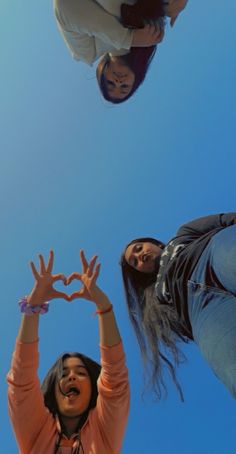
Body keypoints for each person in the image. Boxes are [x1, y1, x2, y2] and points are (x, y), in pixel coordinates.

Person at [8, 250, 130, 453]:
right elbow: (21, 382)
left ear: (94, 388)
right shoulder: (36, 432)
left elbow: (116, 381)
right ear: (53, 391)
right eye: (63, 374)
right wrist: (33, 306)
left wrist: (104, 307)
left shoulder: (104, 433)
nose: (71, 377)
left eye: (81, 373)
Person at [121, 213, 236, 401]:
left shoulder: (183, 233)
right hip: (199, 309)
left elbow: (225, 220)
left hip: (210, 253)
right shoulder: (157, 302)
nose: (139, 256)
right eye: (135, 262)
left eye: (139, 248)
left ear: (155, 244)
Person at [53, 0, 188, 103]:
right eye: (124, 87)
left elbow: (64, 6)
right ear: (136, 80)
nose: (118, 82)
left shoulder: (87, 53)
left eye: (110, 83)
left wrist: (126, 38)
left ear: (102, 74)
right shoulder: (150, 32)